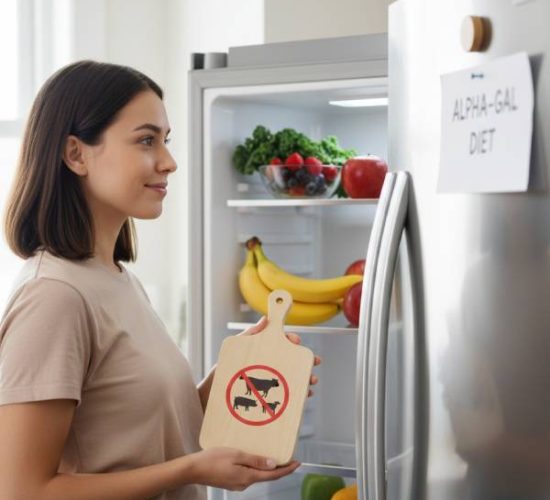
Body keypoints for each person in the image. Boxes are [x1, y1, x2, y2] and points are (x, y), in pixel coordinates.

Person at [0, 60, 320, 500]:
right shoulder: (54, 296)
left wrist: (229, 382)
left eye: (165, 141)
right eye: (146, 140)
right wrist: (190, 469)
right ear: (76, 154)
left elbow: (137, 435)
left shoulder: (115, 279)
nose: (169, 162)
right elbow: (23, 491)